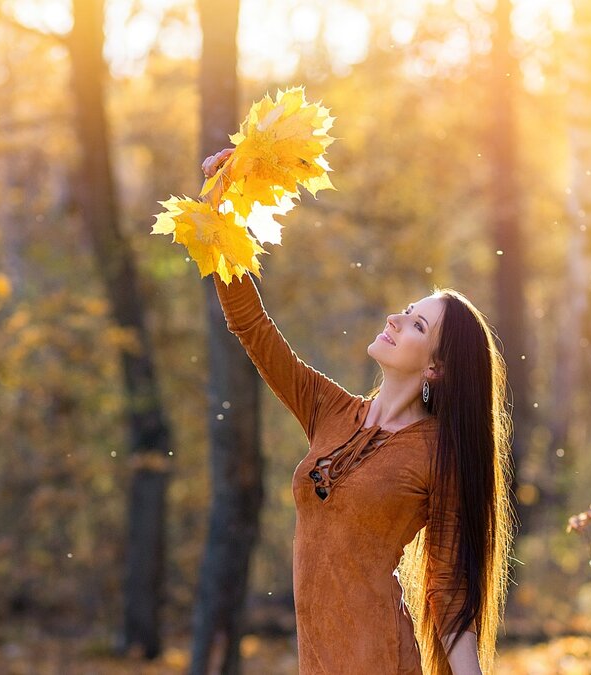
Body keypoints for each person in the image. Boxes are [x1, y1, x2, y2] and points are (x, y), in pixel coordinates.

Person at [201, 148, 515, 674]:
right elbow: (251, 325)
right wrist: (220, 214)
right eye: (408, 311)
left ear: (437, 368)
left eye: (417, 325)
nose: (395, 319)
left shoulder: (438, 453)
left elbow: (446, 595)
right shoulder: (328, 409)